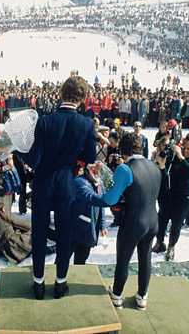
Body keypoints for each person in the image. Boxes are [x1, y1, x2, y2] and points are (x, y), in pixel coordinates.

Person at [21, 76, 96, 300]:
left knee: (40, 233)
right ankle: (60, 284)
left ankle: (38, 284)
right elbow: (90, 157)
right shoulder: (86, 124)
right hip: (66, 181)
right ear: (82, 98)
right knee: (64, 233)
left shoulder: (44, 121)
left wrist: (20, 148)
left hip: (43, 181)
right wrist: (73, 156)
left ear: (62, 93)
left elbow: (33, 160)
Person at [103, 132, 162, 311]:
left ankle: (117, 295)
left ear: (123, 150)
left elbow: (111, 199)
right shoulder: (154, 166)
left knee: (124, 260)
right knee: (145, 258)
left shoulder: (125, 169)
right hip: (153, 220)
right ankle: (142, 296)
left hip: (134, 221)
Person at [155, 134, 189, 260]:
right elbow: (165, 177)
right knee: (161, 221)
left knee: (176, 225)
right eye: (184, 148)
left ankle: (171, 247)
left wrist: (181, 157)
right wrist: (162, 165)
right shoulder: (173, 159)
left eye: (188, 149)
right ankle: (159, 242)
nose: (185, 151)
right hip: (169, 196)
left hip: (183, 198)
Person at [71, 162, 108, 264]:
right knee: (64, 256)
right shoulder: (79, 182)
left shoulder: (99, 184)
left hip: (89, 229)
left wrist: (103, 224)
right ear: (87, 172)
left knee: (81, 258)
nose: (97, 175)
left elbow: (101, 207)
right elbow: (90, 197)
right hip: (75, 228)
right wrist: (110, 200)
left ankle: (77, 275)